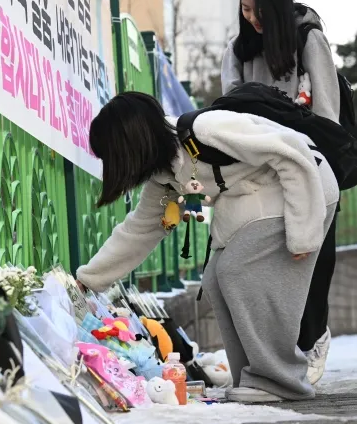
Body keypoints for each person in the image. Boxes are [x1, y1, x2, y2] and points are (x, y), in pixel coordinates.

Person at [75, 92, 338, 403]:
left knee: (236, 270)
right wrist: (88, 280)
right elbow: (140, 229)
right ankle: (252, 376)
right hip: (259, 200)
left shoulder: (207, 130)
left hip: (306, 189)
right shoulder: (164, 176)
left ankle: (282, 379)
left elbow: (291, 154)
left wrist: (303, 231)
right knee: (215, 278)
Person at [221, 0, 338, 385]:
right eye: (245, 9)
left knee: (311, 260)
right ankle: (278, 354)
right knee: (266, 268)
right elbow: (226, 112)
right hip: (259, 173)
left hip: (310, 166)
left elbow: (328, 116)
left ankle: (314, 338)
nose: (252, 18)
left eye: (259, 9)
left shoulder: (308, 40)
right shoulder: (238, 50)